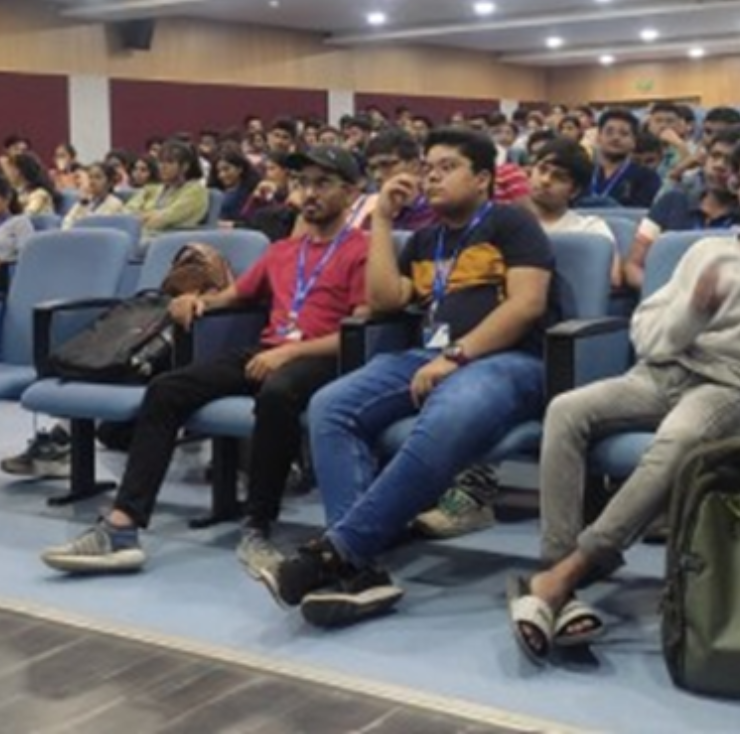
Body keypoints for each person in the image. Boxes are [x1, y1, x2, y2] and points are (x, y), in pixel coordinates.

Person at [507, 129, 740, 663]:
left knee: (681, 436)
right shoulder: (708, 251)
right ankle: (560, 573)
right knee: (566, 409)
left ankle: (567, 573)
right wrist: (694, 312)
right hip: (665, 372)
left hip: (738, 389)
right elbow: (647, 336)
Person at [255, 127, 556, 628]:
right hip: (428, 355)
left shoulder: (511, 224)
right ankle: (358, 570)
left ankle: (338, 550)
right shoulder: (424, 237)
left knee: (447, 408)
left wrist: (457, 357)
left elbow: (527, 306)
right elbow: (385, 302)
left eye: (446, 167)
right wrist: (382, 222)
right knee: (332, 404)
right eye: (427, 167)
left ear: (482, 179)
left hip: (508, 361)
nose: (431, 175)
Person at [39, 147, 371, 575]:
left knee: (277, 394)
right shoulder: (283, 251)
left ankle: (258, 523)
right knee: (166, 389)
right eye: (304, 183)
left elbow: (360, 329)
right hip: (269, 351)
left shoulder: (362, 249)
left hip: (320, 357)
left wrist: (290, 352)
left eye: (323, 183)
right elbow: (233, 296)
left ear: (350, 192)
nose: (310, 193)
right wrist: (198, 300)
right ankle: (123, 526)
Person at [414, 137, 620, 542]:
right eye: (539, 169)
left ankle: (472, 491)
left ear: (575, 190)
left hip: (542, 344)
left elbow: (609, 282)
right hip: (470, 338)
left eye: (557, 176)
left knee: (479, 382)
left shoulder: (589, 229)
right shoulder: (492, 221)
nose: (543, 180)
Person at [623, 125, 740, 292]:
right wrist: (666, 294)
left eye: (731, 161)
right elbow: (632, 266)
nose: (719, 165)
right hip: (665, 303)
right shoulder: (671, 202)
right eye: (715, 156)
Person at [124, 139, 209, 240]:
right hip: (145, 235)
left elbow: (163, 219)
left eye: (169, 162)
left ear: (185, 166)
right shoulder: (154, 188)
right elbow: (126, 213)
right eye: (160, 162)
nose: (162, 167)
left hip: (172, 239)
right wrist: (144, 217)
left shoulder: (195, 190)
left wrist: (143, 217)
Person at [577, 108, 661, 209]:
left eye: (624, 133)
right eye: (609, 132)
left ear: (634, 141)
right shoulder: (582, 173)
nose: (616, 137)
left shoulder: (647, 177)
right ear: (598, 138)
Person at [60, 161, 127, 229]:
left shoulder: (115, 204)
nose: (92, 181)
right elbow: (67, 223)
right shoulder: (84, 201)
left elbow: (96, 225)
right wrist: (82, 205)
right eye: (90, 177)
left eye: (98, 177)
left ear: (109, 182)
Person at [212, 149, 261, 228]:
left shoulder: (250, 193)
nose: (222, 175)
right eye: (219, 171)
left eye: (226, 169)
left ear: (239, 169)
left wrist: (231, 224)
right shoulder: (218, 192)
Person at [2, 151, 58, 216]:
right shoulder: (17, 193)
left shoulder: (40, 195)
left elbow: (25, 218)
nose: (6, 174)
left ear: (19, 172)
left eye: (10, 169)